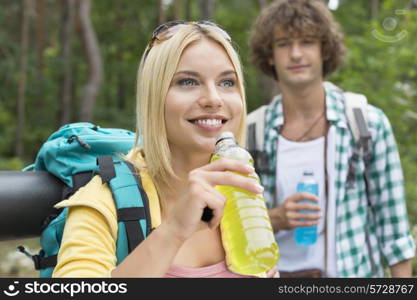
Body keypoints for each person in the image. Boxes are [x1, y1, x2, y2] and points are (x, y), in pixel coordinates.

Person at [52, 21, 278, 278]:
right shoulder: (104, 200)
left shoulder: (242, 192)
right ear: (154, 95)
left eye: (227, 82)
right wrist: (173, 231)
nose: (214, 99)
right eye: (188, 82)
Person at [248, 0, 415, 277]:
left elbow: (394, 230)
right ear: (269, 55)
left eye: (308, 41)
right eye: (284, 44)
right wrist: (274, 218)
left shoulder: (366, 124)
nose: (296, 54)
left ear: (324, 50)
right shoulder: (253, 132)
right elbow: (228, 228)